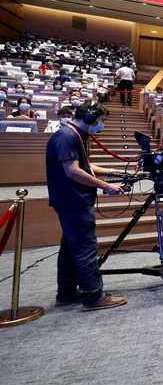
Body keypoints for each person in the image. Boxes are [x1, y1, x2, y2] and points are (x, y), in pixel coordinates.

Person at [45, 100, 127, 310]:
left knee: (70, 248)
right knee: (85, 247)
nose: (102, 125)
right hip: (73, 200)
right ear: (90, 117)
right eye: (102, 120)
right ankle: (93, 297)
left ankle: (66, 292)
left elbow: (86, 166)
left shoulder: (75, 135)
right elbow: (73, 171)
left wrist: (115, 171)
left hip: (70, 200)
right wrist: (105, 186)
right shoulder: (67, 137)